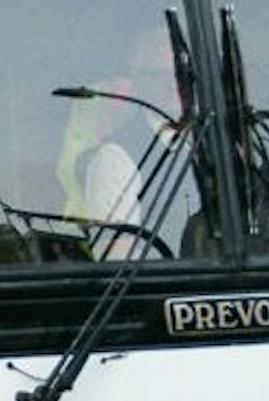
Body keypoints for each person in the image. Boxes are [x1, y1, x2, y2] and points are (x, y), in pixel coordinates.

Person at [55, 26, 178, 259]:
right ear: (138, 78)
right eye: (160, 75)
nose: (173, 84)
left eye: (179, 73)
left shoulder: (214, 143)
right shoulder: (115, 161)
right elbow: (118, 263)